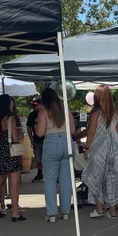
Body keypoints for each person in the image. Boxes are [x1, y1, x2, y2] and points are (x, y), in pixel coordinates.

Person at [81, 84, 118, 219]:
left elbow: (92, 132)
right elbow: (117, 132)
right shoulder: (116, 114)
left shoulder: (95, 113)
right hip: (115, 148)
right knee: (111, 178)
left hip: (99, 148)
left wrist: (87, 149)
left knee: (96, 177)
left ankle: (99, 208)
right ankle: (112, 211)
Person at [35, 88, 76, 222]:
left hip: (52, 143)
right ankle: (65, 212)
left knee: (50, 181)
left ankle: (51, 214)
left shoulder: (43, 111)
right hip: (67, 143)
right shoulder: (66, 110)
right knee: (65, 180)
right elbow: (73, 130)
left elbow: (40, 133)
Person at [0, 94, 25, 221]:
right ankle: (15, 212)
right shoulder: (11, 119)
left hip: (0, 151)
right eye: (11, 102)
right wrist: (20, 135)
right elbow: (15, 139)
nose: (12, 104)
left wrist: (2, 134)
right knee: (14, 183)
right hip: (11, 152)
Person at [27, 96, 45, 182]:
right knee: (38, 158)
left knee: (47, 157)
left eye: (36, 105)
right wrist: (31, 138)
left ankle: (48, 173)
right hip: (37, 140)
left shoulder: (46, 112)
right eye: (33, 105)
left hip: (47, 139)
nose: (34, 107)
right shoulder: (32, 115)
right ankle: (40, 173)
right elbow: (29, 127)